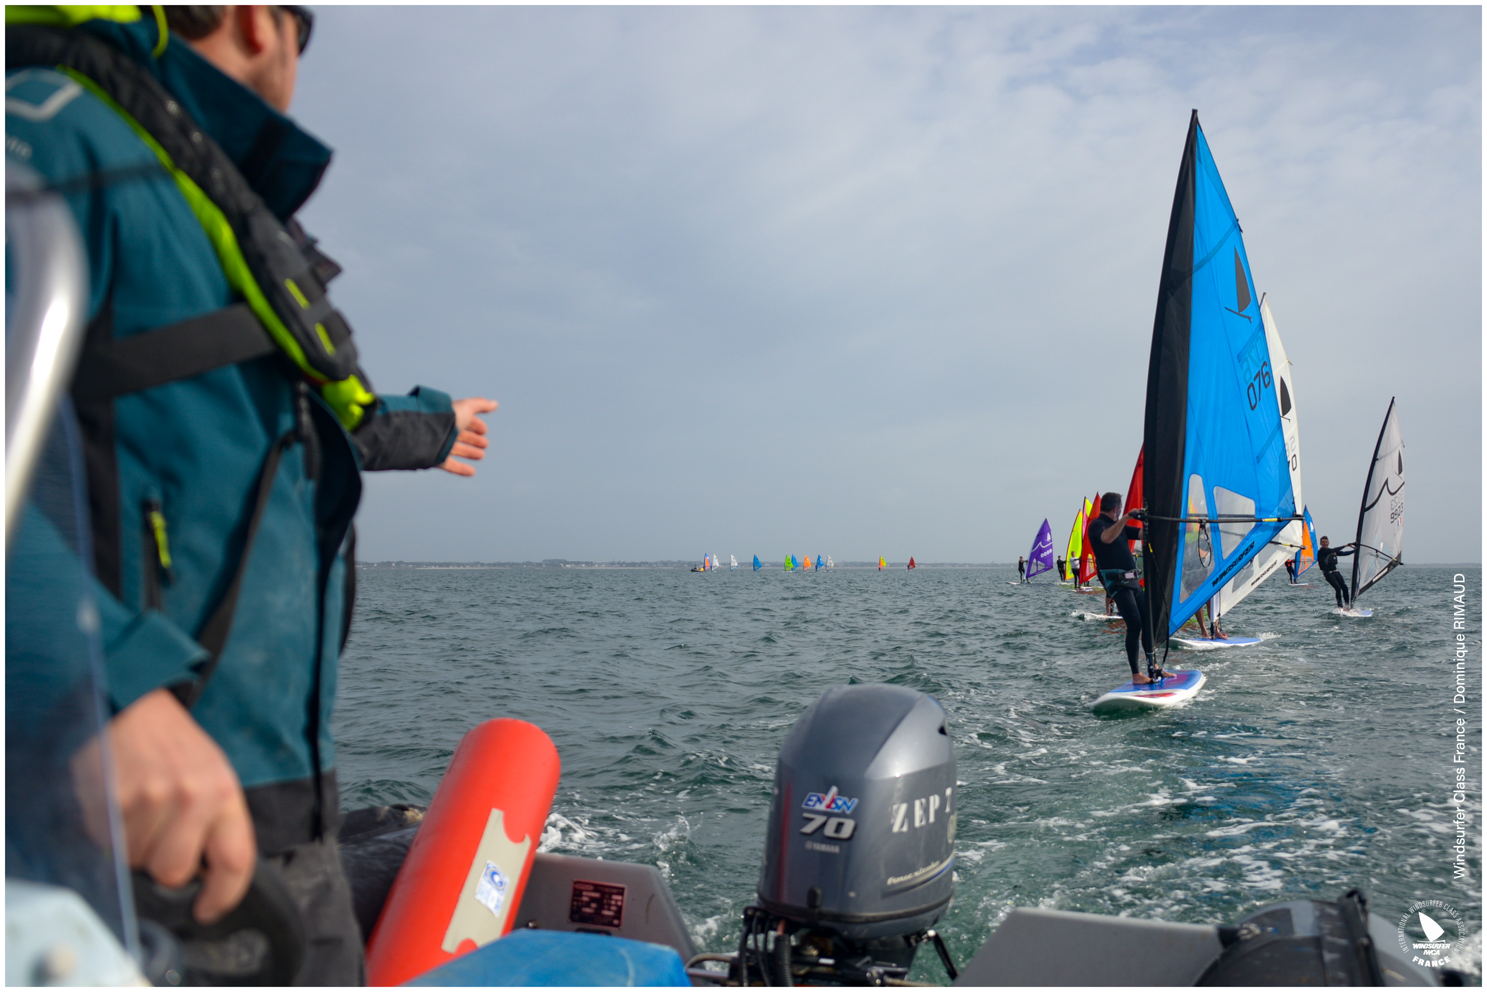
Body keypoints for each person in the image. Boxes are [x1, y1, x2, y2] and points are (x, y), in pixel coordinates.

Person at [6, 6, 490, 982]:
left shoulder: (200, 195)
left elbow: (282, 418)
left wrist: (433, 428)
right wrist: (102, 691)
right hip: (128, 818)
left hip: (273, 798)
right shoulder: (53, 139)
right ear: (255, 24)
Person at [1087, 492, 1168, 683]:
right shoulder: (1097, 525)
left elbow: (1142, 534)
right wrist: (1126, 517)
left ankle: (1153, 666)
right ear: (1116, 509)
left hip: (1133, 583)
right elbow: (1107, 538)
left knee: (1148, 621)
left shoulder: (1121, 527)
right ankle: (1136, 675)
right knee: (1134, 624)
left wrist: (1150, 519)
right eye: (1120, 509)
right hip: (1117, 584)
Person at [1317, 536, 1357, 609]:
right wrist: (1345, 546)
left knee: (1344, 587)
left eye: (1326, 542)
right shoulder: (1322, 551)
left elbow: (1343, 553)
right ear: (1320, 544)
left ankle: (1348, 606)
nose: (1325, 543)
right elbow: (1332, 550)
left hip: (1335, 572)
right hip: (1328, 573)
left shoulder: (1331, 551)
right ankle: (1340, 607)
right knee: (1338, 588)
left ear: (1328, 543)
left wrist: (1354, 551)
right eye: (1323, 542)